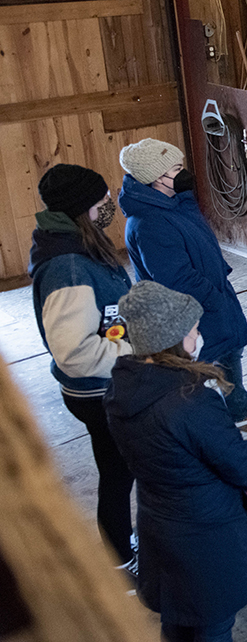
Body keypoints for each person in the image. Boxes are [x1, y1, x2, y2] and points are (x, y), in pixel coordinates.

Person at [105, 280, 247, 642]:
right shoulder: (191, 401)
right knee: (213, 626)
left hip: (159, 526)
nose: (199, 337)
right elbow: (242, 466)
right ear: (172, 338)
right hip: (205, 536)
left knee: (177, 621)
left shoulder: (121, 390)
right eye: (193, 331)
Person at [117, 138, 247, 427]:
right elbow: (177, 278)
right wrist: (214, 299)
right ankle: (210, 426)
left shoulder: (175, 203)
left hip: (212, 295)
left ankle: (238, 410)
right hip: (191, 309)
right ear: (156, 178)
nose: (184, 173)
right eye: (176, 168)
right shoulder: (150, 223)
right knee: (200, 367)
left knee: (229, 350)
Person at [28, 164, 137, 578]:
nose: (109, 205)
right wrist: (138, 349)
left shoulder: (76, 243)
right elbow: (73, 352)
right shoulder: (68, 268)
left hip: (105, 384)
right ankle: (120, 564)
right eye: (102, 201)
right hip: (97, 391)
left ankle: (120, 544)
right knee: (116, 473)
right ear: (82, 208)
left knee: (117, 469)